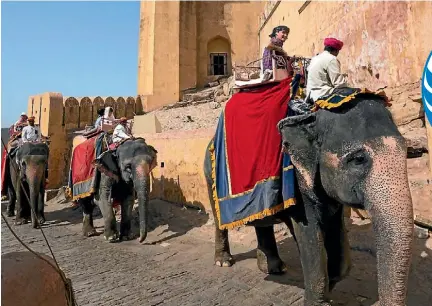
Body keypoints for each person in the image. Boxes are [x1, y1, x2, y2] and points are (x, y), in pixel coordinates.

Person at [306, 37, 349, 102]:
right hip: (322, 93)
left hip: (310, 94)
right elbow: (339, 83)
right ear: (336, 51)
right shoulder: (332, 59)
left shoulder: (315, 58)